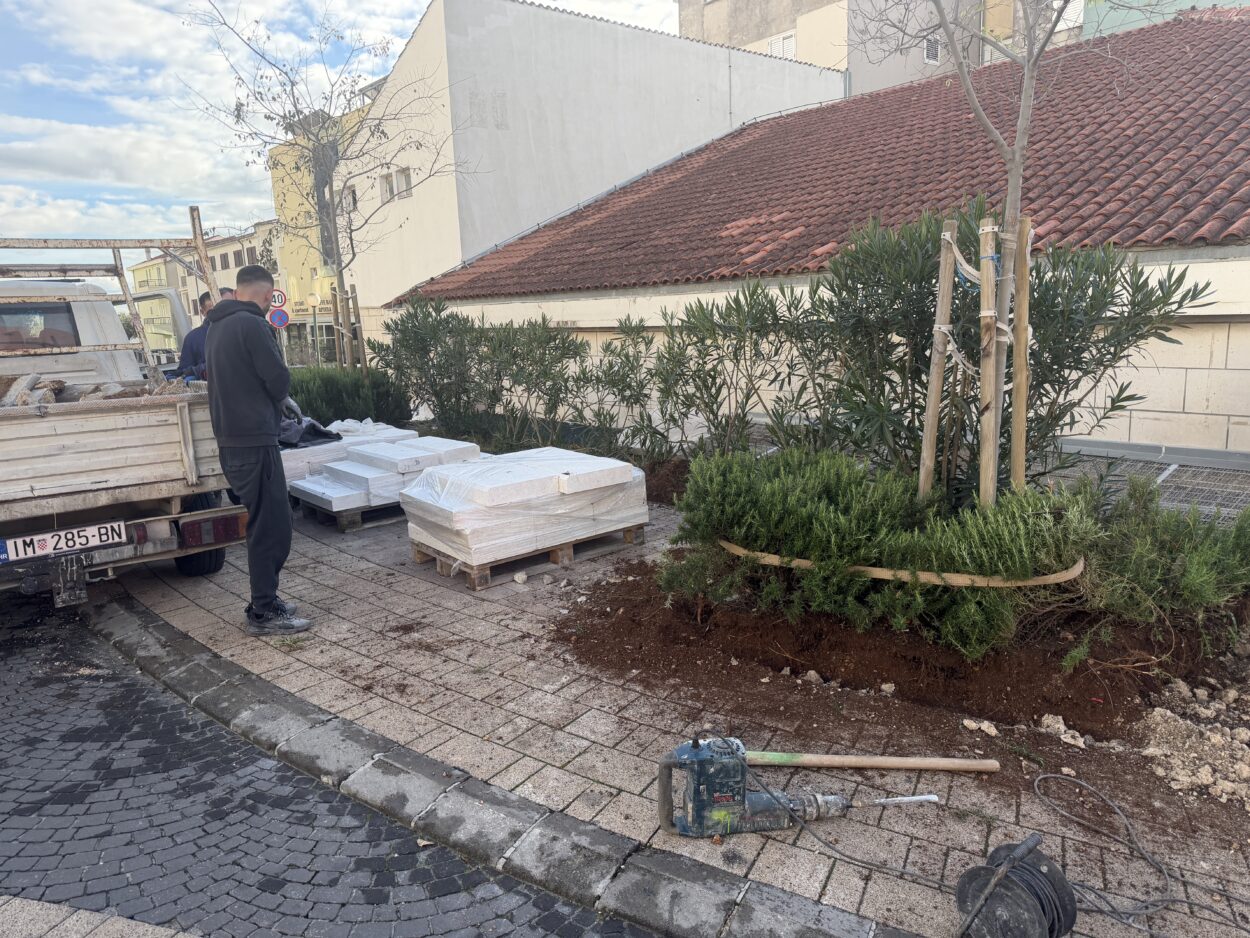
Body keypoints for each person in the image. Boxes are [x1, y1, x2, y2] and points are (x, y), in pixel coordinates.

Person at [204, 265, 311, 635]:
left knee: (264, 522)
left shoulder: (216, 326)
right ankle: (263, 612)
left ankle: (266, 600)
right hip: (254, 441)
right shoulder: (252, 325)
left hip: (233, 442)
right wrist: (282, 397)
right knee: (273, 527)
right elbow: (276, 377)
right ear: (267, 296)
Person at [176, 292, 212, 380]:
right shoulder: (193, 338)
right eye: (212, 311)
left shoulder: (239, 329)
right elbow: (184, 372)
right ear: (202, 312)